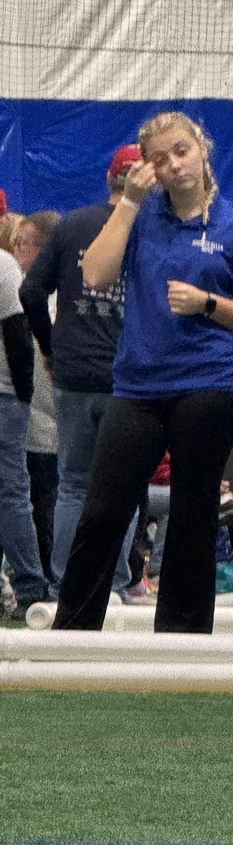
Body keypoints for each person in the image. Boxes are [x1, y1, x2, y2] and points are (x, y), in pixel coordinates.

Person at [52, 111, 233, 633]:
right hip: (138, 385)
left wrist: (208, 304)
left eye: (181, 151)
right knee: (104, 507)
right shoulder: (142, 217)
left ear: (203, 151)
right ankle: (73, 629)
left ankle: (183, 634)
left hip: (210, 384)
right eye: (159, 158)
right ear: (147, 169)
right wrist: (129, 202)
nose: (173, 165)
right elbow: (95, 273)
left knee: (194, 511)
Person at [20, 146, 145, 600]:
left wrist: (53, 351)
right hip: (126, 377)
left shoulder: (73, 225)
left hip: (73, 374)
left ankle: (65, 584)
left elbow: (32, 292)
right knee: (123, 486)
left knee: (73, 483)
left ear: (109, 180)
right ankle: (113, 582)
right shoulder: (148, 228)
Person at [0, 242, 51, 618]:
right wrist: (24, 393)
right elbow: (17, 331)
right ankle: (31, 584)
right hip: (4, 393)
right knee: (13, 494)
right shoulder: (3, 265)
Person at [14, 211, 61, 586]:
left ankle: (47, 577)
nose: (15, 252)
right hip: (38, 423)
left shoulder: (45, 297)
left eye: (21, 245)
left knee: (44, 506)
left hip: (45, 426)